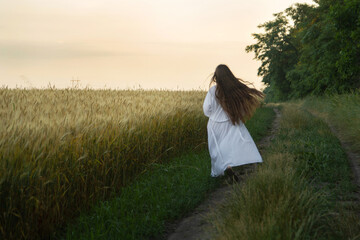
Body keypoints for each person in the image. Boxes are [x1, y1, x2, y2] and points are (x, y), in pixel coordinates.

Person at [203, 64, 264, 180]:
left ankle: (227, 168)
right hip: (231, 121)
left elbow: (206, 109)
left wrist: (213, 115)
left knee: (217, 148)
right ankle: (234, 164)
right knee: (233, 144)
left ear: (216, 77)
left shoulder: (213, 91)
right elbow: (239, 107)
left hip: (214, 125)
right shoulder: (234, 90)